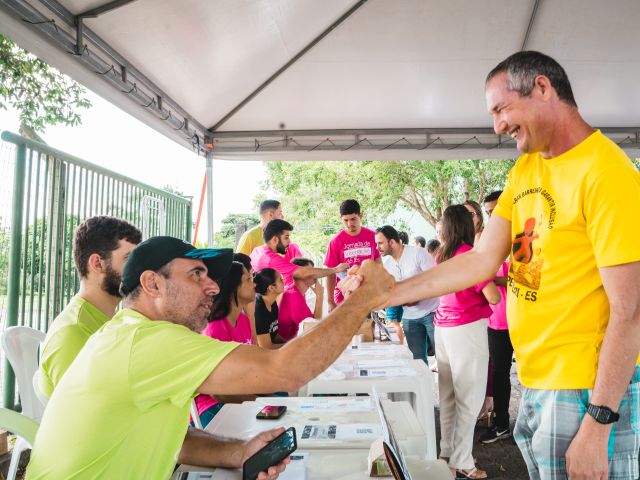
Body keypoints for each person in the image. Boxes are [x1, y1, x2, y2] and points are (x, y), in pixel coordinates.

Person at [349, 51, 640, 479]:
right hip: (539, 382)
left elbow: (630, 311)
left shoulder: (606, 172)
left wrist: (599, 420)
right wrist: (387, 293)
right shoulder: (527, 169)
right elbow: (481, 260)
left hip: (584, 389)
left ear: (543, 88)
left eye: (501, 109)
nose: (497, 125)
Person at [26, 236, 394, 479]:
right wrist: (364, 298)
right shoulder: (146, 340)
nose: (214, 286)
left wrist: (239, 452)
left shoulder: (126, 333)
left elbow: (175, 437)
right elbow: (287, 371)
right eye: (196, 274)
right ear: (153, 283)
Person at [38, 216, 141, 399]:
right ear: (97, 263)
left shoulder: (111, 320)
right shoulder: (72, 333)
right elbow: (80, 414)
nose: (138, 269)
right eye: (129, 259)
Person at [433, 205, 500, 479]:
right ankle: (462, 460)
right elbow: (493, 296)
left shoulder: (440, 255)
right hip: (466, 328)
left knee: (448, 396)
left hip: (443, 328)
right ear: (466, 226)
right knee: (469, 399)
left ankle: (446, 453)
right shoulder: (470, 256)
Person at [195, 261, 256, 427]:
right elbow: (218, 393)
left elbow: (253, 361)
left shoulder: (243, 320)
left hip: (238, 396)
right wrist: (257, 399)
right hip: (212, 405)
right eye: (249, 279)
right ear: (233, 287)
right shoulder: (214, 328)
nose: (254, 283)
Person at [478, 190, 514, 445]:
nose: (493, 216)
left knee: (530, 374)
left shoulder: (523, 237)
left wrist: (489, 279)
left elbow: (528, 278)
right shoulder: (487, 241)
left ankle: (536, 426)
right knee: (500, 374)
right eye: (489, 212)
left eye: (495, 210)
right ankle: (502, 423)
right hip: (496, 321)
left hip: (524, 318)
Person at [375, 225, 438, 362]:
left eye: (380, 243)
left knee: (443, 357)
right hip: (409, 317)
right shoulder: (387, 265)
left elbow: (434, 279)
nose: (377, 247)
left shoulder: (418, 253)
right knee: (418, 359)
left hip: (432, 313)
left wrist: (416, 297)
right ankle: (424, 384)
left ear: (391, 242)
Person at [251, 219, 348, 288]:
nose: (289, 241)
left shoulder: (257, 251)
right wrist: (336, 269)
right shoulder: (271, 260)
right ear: (275, 239)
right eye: (286, 237)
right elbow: (305, 272)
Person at [324, 199, 381, 311]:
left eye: (353, 219)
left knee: (366, 328)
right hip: (343, 300)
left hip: (367, 298)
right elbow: (330, 273)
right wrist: (330, 302)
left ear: (361, 216)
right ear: (341, 219)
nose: (350, 224)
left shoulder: (372, 236)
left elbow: (378, 265)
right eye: (345, 220)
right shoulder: (336, 241)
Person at [236, 199, 302, 260]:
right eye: (280, 213)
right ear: (270, 215)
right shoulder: (250, 236)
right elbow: (240, 263)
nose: (282, 216)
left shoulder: (280, 234)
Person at [278, 258, 324, 341]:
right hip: (285, 347)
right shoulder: (293, 295)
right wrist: (320, 297)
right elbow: (314, 328)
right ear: (299, 274)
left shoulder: (298, 292)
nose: (315, 274)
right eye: (310, 271)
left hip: (292, 342)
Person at [253, 268, 286, 349]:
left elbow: (273, 334)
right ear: (271, 288)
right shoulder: (259, 310)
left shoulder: (272, 302)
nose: (283, 280)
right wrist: (292, 346)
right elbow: (266, 347)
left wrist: (289, 342)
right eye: (280, 279)